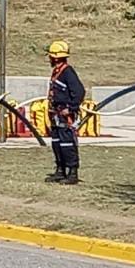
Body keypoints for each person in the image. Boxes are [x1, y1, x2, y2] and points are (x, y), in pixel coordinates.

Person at [45, 40, 86, 185]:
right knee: (57, 143)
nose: (49, 59)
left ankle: (72, 172)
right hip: (55, 114)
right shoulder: (57, 71)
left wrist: (71, 108)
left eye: (50, 56)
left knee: (67, 144)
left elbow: (79, 91)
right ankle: (60, 170)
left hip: (65, 115)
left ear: (55, 57)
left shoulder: (68, 72)